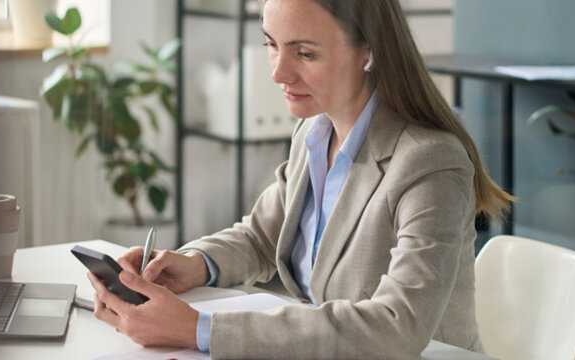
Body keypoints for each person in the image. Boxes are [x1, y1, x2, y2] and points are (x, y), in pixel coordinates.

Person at [85, 0, 515, 358]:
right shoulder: (314, 132)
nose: (278, 72)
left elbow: (396, 326)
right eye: (272, 45)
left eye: (304, 53)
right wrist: (196, 264)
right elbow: (262, 237)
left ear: (369, 51)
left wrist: (202, 329)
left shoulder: (429, 163)